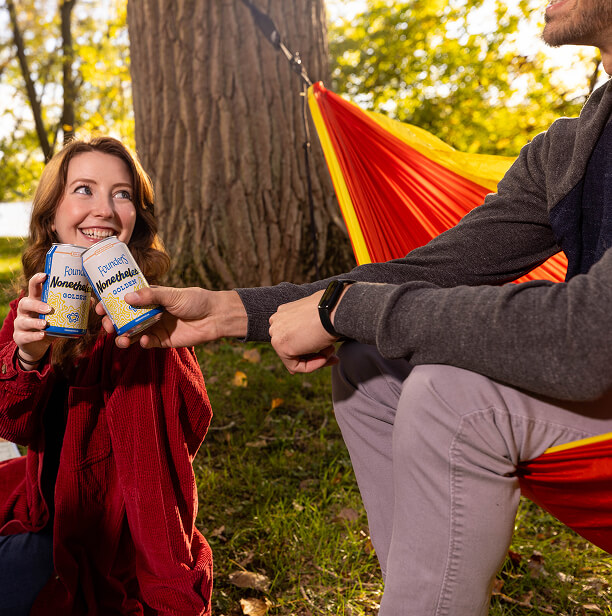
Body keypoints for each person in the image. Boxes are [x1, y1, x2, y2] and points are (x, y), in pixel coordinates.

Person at [100, 3, 612, 615]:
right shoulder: (573, 147)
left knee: (450, 397)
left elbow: (588, 340)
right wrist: (234, 311)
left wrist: (353, 309)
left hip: (593, 364)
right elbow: (435, 270)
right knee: (368, 371)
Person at [0, 136, 214, 616]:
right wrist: (27, 356)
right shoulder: (36, 307)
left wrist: (175, 600)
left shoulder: (146, 335)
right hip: (38, 493)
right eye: (84, 190)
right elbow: (2, 420)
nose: (105, 210)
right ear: (52, 216)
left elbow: (158, 486)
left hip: (93, 534)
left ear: (136, 220)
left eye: (122, 193)